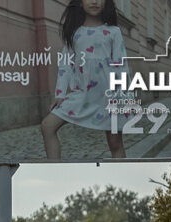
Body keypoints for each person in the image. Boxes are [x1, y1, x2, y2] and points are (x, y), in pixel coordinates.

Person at [40, 0, 131, 160]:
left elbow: (121, 64)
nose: (94, 1)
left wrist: (126, 96)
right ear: (80, 3)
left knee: (115, 143)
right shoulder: (74, 33)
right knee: (47, 126)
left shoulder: (113, 32)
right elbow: (66, 64)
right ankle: (54, 168)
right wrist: (60, 94)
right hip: (81, 95)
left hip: (110, 97)